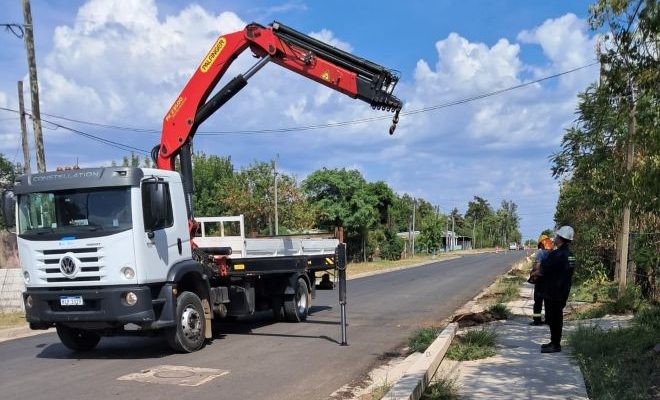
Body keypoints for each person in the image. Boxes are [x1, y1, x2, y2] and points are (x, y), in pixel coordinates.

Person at [537, 226, 576, 353]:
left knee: (553, 318)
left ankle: (555, 344)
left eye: (557, 236)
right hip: (564, 290)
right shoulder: (571, 256)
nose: (555, 238)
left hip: (552, 290)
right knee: (557, 317)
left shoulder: (555, 255)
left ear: (561, 239)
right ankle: (554, 342)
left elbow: (543, 269)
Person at [528, 234, 553, 325]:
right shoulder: (553, 252)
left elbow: (537, 265)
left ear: (542, 244)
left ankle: (537, 321)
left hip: (541, 280)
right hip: (551, 281)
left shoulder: (541, 253)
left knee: (538, 301)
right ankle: (548, 320)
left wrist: (533, 273)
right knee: (548, 301)